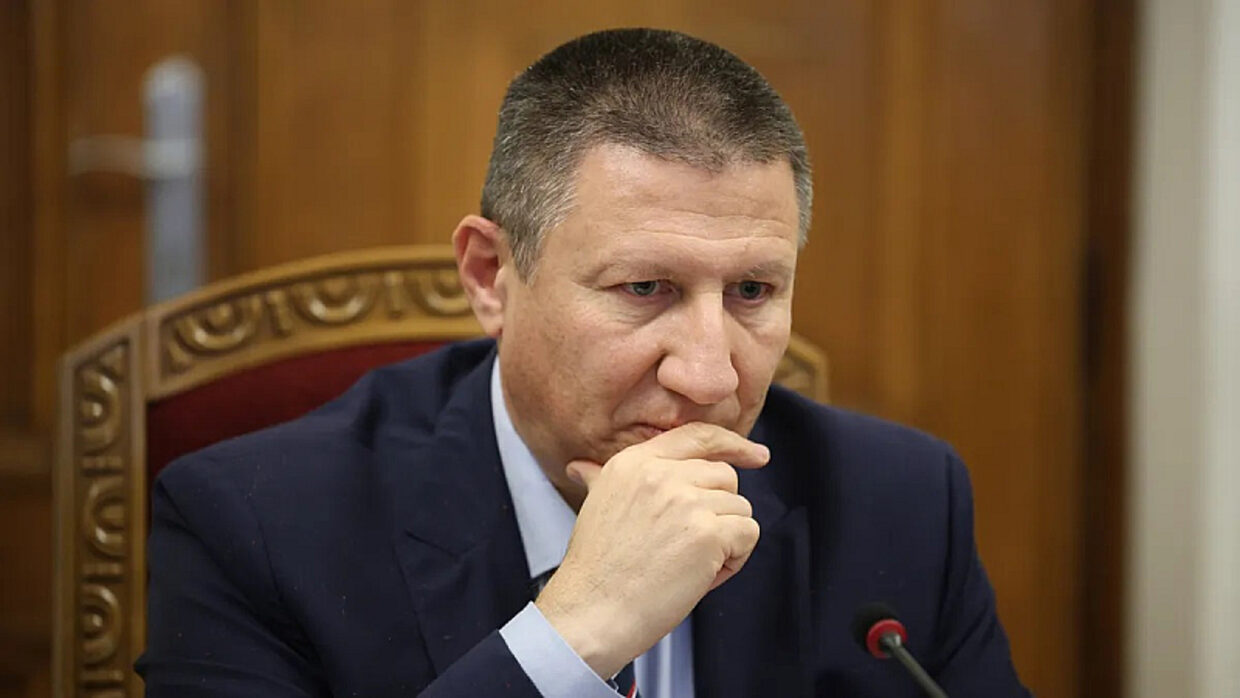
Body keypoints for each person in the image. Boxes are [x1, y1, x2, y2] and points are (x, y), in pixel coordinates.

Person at [138, 28, 1030, 697]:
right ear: (491, 276)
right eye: (645, 288)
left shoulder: (900, 504)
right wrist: (574, 635)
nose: (710, 377)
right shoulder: (258, 528)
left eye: (753, 290)